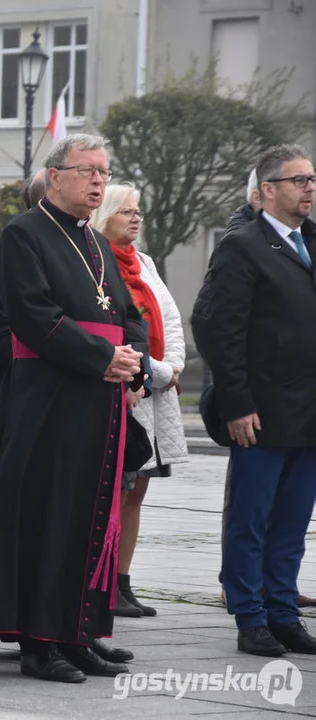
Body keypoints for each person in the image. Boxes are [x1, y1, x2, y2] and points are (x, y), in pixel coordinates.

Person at [0, 134, 146, 683]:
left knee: (87, 515)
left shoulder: (97, 243)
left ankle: (78, 633)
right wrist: (103, 357)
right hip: (49, 397)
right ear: (55, 176)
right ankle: (39, 641)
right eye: (88, 172)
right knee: (48, 515)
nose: (98, 182)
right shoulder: (25, 233)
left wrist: (135, 359)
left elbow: (129, 313)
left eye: (104, 172)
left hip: (98, 399)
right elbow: (34, 316)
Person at [191, 144, 316, 657]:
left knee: (292, 521)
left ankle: (283, 611)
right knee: (252, 517)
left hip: (309, 409)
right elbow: (217, 327)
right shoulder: (243, 245)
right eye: (298, 180)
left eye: (312, 179)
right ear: (267, 190)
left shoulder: (310, 241)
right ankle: (251, 615)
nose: (309, 188)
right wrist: (237, 403)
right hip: (263, 410)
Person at [90, 183, 188, 618]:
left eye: (138, 211)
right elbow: (117, 328)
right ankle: (101, 582)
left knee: (138, 491)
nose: (135, 218)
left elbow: (170, 318)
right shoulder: (95, 259)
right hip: (125, 388)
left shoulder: (145, 262)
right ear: (105, 215)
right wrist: (156, 371)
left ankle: (123, 582)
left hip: (154, 391)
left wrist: (173, 367)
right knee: (112, 490)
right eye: (125, 211)